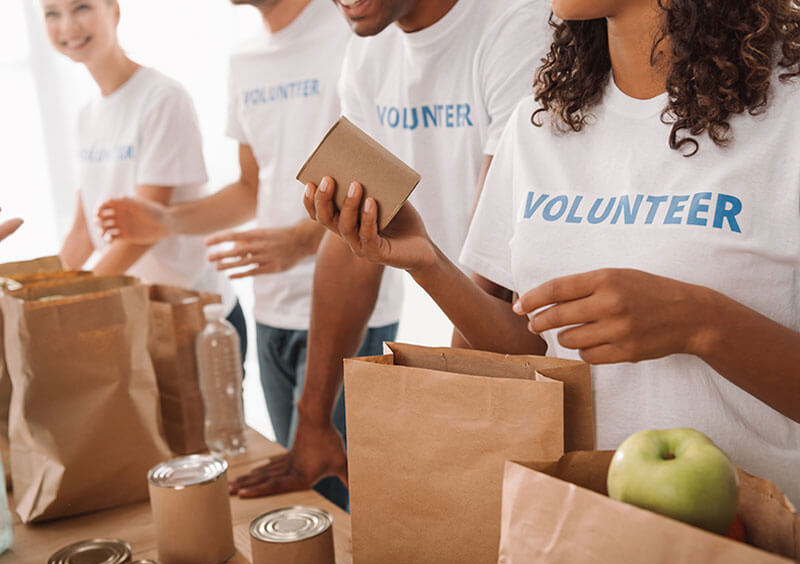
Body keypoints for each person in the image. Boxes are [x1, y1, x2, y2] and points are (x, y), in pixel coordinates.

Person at [303, 0, 800, 506]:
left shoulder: (789, 114)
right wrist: (428, 261)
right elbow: (535, 353)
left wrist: (702, 323)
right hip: (576, 527)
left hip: (748, 537)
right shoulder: (541, 123)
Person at [221, 0, 552, 499]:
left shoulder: (514, 26)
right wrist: (312, 423)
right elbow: (353, 244)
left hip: (544, 352)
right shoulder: (368, 53)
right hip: (481, 341)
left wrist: (445, 429)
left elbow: (493, 267)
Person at [96, 0, 396, 509]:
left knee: (345, 502)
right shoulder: (245, 60)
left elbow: (383, 185)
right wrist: (168, 222)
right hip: (271, 311)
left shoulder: (356, 32)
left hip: (353, 308)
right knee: (307, 498)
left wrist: (299, 241)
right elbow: (252, 188)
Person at [41, 0, 246, 355]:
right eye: (52, 13)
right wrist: (41, 294)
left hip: (197, 314)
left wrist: (73, 303)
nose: (67, 27)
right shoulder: (87, 117)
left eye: (81, 7)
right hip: (141, 314)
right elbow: (83, 233)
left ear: (115, 11)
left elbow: (143, 231)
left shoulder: (161, 98)